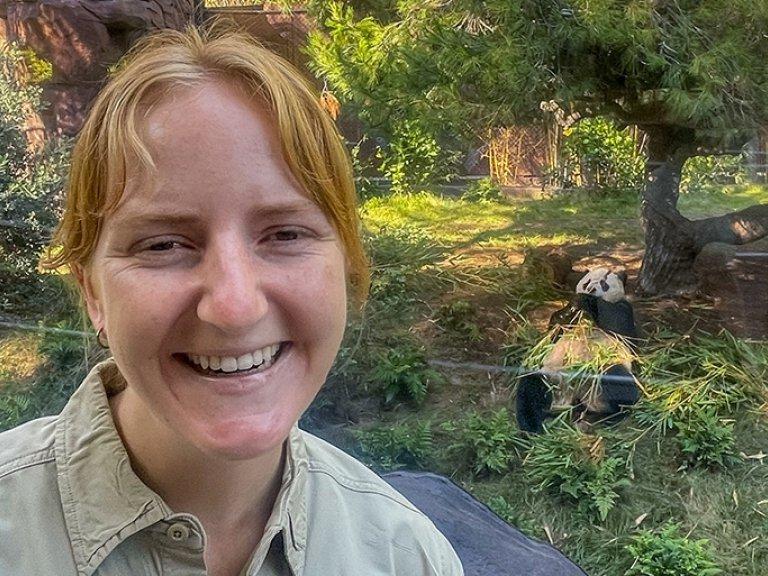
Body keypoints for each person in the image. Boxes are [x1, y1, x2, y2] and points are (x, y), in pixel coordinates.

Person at [0, 25, 463, 576]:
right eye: (164, 244)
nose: (236, 306)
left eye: (285, 234)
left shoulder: (405, 557)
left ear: (347, 266)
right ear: (93, 292)